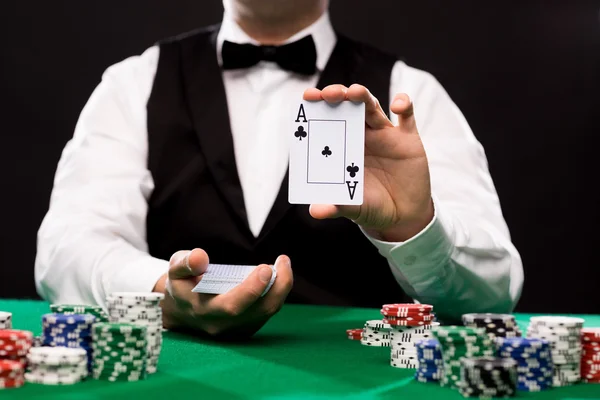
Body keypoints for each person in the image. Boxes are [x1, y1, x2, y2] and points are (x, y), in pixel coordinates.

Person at [35, 0, 524, 338]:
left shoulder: (409, 95)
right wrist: (163, 292)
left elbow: (496, 294)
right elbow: (64, 251)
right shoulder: (133, 83)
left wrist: (417, 229)